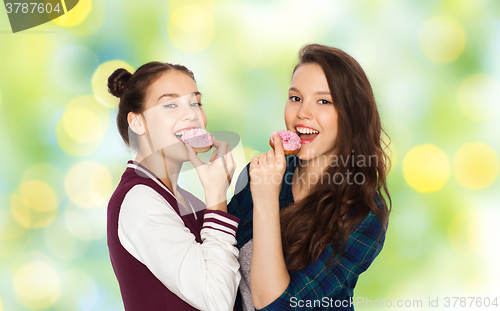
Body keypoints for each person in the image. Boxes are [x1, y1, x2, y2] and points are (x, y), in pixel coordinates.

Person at [228, 44, 391, 311]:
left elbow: (277, 306)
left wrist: (266, 201)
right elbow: (215, 263)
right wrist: (214, 192)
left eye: (324, 101)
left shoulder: (364, 212)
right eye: (295, 98)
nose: (303, 112)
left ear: (352, 114)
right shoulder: (259, 174)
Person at [106, 61, 241, 311]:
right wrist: (217, 195)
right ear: (138, 123)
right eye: (170, 104)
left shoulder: (191, 202)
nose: (191, 114)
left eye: (195, 103)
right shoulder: (140, 200)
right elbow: (218, 302)